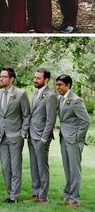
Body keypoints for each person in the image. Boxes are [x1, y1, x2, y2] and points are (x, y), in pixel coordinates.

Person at [0, 67, 30, 203]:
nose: (1, 79)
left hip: (16, 136)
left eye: (4, 76)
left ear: (11, 79)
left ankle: (14, 196)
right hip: (1, 136)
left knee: (15, 168)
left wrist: (22, 133)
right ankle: (10, 192)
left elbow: (26, 115)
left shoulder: (21, 94)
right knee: (5, 167)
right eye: (0, 76)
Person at [56, 74, 90, 208]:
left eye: (60, 85)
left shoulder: (76, 100)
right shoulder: (61, 99)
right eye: (56, 84)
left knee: (75, 170)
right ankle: (67, 196)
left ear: (68, 85)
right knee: (67, 169)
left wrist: (77, 138)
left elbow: (86, 121)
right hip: (64, 138)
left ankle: (75, 200)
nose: (57, 87)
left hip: (74, 140)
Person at [26, 68, 57, 204]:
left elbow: (51, 119)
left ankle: (43, 197)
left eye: (38, 78)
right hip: (31, 135)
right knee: (34, 166)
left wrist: (44, 138)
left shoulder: (50, 95)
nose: (35, 80)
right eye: (35, 77)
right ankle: (35, 194)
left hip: (41, 137)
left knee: (42, 167)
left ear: (46, 80)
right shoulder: (35, 92)